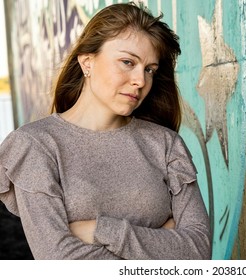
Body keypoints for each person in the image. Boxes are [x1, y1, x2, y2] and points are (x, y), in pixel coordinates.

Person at [0, 2, 211, 260]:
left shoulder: (166, 144)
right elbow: (59, 261)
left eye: (149, 70)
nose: (141, 81)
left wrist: (100, 230)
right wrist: (162, 243)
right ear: (87, 62)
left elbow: (198, 251)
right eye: (127, 62)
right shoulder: (36, 145)